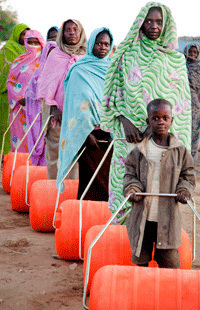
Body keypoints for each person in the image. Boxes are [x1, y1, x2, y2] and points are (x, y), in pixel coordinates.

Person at [100, 2, 192, 224]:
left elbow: (182, 107)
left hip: (162, 142)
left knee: (159, 193)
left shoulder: (176, 60)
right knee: (128, 188)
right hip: (131, 138)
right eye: (149, 21)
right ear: (140, 24)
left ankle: (155, 245)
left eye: (159, 22)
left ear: (166, 25)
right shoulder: (127, 54)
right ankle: (122, 241)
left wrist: (171, 138)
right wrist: (124, 120)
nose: (153, 25)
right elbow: (114, 93)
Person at [123, 98, 195, 268]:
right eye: (155, 118)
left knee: (169, 263)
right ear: (149, 121)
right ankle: (143, 292)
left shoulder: (181, 151)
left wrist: (184, 190)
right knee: (141, 259)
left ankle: (166, 293)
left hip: (167, 218)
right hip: (143, 216)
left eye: (165, 118)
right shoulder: (139, 151)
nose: (160, 122)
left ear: (172, 120)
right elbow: (129, 174)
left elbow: (188, 176)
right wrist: (132, 188)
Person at [56, 27, 114, 200]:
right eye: (99, 43)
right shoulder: (79, 70)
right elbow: (74, 106)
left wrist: (114, 132)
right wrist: (86, 134)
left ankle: (105, 218)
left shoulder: (114, 69)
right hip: (88, 134)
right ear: (91, 45)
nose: (103, 47)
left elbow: (118, 102)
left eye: (106, 44)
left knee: (110, 178)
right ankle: (85, 217)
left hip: (112, 134)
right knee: (90, 179)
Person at [38, 19, 87, 179]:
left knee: (77, 158)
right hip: (58, 117)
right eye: (68, 30)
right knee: (55, 155)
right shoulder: (55, 56)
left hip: (81, 118)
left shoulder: (87, 57)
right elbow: (45, 86)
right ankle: (54, 195)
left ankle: (71, 197)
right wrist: (53, 109)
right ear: (62, 34)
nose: (71, 32)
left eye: (75, 29)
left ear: (80, 33)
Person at [7, 30, 45, 153]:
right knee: (19, 140)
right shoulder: (19, 61)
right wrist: (19, 99)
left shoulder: (46, 62)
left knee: (36, 141)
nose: (33, 45)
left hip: (38, 110)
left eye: (36, 42)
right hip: (19, 109)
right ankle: (18, 170)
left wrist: (34, 100)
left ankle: (34, 171)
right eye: (30, 42)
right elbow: (10, 81)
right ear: (25, 43)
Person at [25, 41, 57, 166]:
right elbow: (30, 96)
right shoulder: (37, 74)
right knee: (40, 146)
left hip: (55, 119)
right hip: (38, 118)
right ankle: (37, 178)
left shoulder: (62, 72)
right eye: (50, 54)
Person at [0, 23, 30, 155]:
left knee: (21, 131)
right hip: (5, 97)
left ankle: (16, 159)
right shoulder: (6, 50)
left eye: (27, 35)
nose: (24, 38)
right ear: (16, 34)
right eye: (22, 34)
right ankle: (3, 156)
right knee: (5, 128)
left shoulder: (31, 53)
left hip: (24, 101)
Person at [184, 44, 200, 167]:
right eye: (191, 51)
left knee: (194, 133)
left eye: (195, 52)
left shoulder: (199, 68)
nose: (193, 54)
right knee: (183, 130)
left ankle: (191, 163)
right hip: (182, 102)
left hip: (195, 105)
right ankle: (182, 160)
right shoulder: (180, 65)